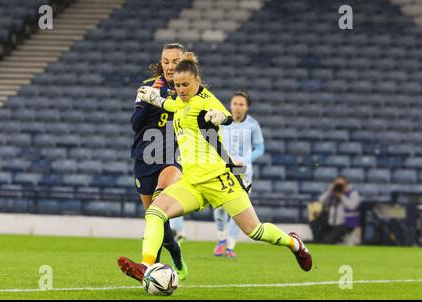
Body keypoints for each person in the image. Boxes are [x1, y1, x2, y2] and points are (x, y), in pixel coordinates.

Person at [118, 52, 312, 284]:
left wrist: (219, 117)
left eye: (185, 85)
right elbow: (172, 105)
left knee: (254, 231)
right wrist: (153, 98)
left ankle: (295, 243)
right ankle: (147, 266)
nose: (180, 89)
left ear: (197, 81)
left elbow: (226, 116)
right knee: (154, 213)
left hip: (219, 180)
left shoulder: (206, 99)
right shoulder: (181, 101)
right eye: (178, 85)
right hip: (192, 183)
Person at [124, 43, 188, 280]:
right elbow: (135, 124)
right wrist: (153, 98)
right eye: (166, 61)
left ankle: (151, 270)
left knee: (158, 211)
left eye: (175, 61)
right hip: (145, 157)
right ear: (160, 63)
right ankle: (177, 255)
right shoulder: (148, 86)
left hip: (172, 158)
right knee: (155, 217)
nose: (170, 66)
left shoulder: (189, 90)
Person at [213, 90, 265, 258]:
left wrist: (245, 159)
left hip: (244, 172)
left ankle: (230, 246)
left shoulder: (253, 125)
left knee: (239, 208)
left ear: (247, 107)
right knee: (220, 207)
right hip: (223, 169)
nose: (237, 107)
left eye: (241, 104)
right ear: (230, 105)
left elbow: (260, 148)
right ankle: (221, 239)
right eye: (235, 103)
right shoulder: (222, 121)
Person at [308, 176, 361, 244]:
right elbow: (320, 201)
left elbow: (352, 206)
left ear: (346, 184)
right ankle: (318, 243)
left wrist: (341, 195)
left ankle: (324, 244)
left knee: (329, 240)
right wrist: (329, 191)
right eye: (337, 184)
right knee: (314, 224)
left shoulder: (352, 193)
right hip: (329, 221)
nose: (339, 187)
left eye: (341, 185)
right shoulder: (331, 192)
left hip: (344, 223)